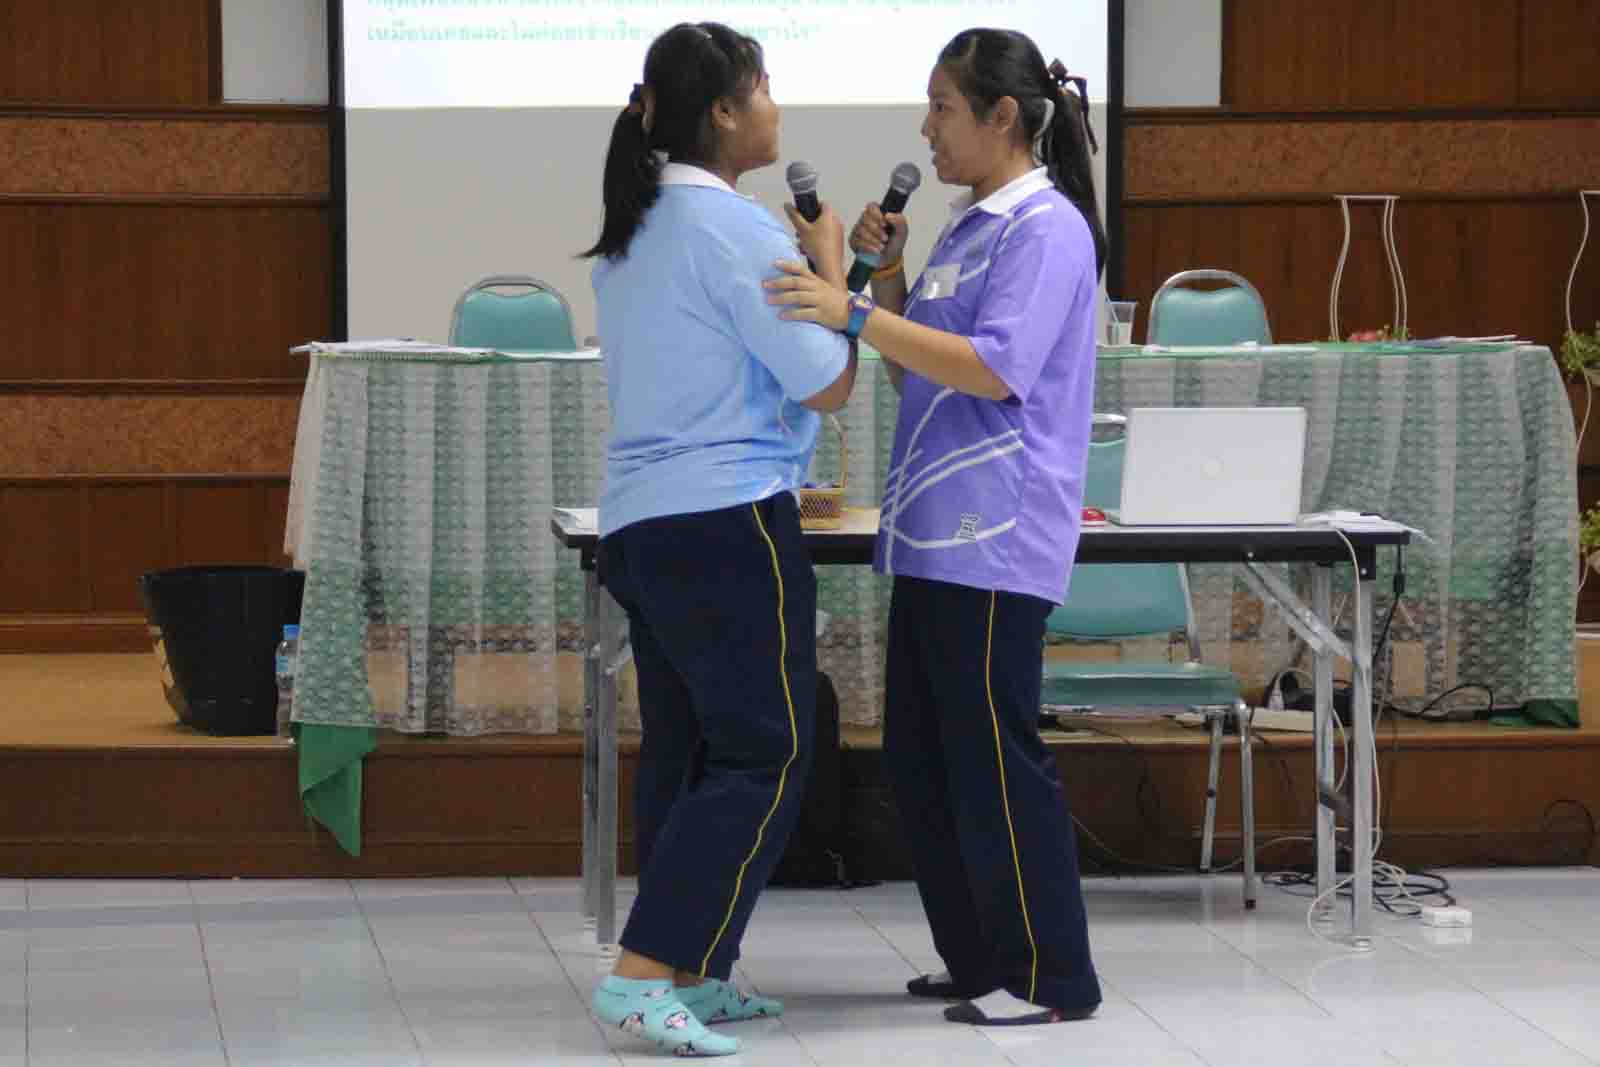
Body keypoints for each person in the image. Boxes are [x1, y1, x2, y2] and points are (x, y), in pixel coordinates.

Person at [765, 27, 1106, 1026]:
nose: (926, 128)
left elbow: (995, 370)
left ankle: (1049, 978)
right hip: (931, 532)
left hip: (997, 531)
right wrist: (890, 279)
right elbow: (923, 370)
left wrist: (851, 312)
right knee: (923, 762)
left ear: (1003, 116)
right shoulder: (968, 227)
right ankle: (979, 958)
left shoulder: (1044, 228)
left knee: (994, 757)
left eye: (942, 108)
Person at [579, 20, 857, 1059]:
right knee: (765, 748)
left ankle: (693, 969)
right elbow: (826, 383)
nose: (777, 108)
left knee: (687, 749)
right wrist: (835, 276)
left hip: (645, 522)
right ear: (728, 112)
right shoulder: (735, 231)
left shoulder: (636, 223)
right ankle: (645, 971)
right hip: (727, 517)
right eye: (766, 88)